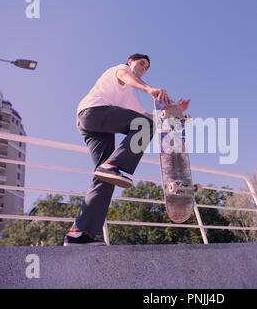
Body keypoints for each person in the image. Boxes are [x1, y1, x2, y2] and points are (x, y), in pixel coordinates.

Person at [64, 53, 190, 246]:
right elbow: (127, 77)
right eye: (141, 64)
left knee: (105, 179)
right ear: (130, 62)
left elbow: (149, 116)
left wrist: (174, 111)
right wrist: (149, 89)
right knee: (144, 127)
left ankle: (79, 234)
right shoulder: (120, 70)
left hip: (94, 127)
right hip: (93, 112)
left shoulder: (129, 97)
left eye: (146, 67)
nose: (143, 68)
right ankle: (113, 164)